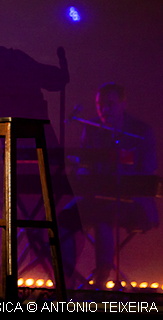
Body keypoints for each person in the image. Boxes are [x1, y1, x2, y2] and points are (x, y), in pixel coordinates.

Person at [60, 82, 158, 288]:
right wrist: (81, 170)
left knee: (102, 216)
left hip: (133, 203)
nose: (104, 110)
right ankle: (66, 279)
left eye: (110, 104)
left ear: (123, 104)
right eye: (99, 105)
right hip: (96, 199)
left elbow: (148, 171)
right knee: (62, 219)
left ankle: (101, 278)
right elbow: (83, 166)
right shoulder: (92, 129)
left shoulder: (140, 132)